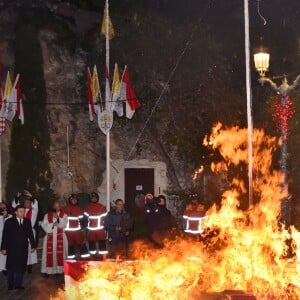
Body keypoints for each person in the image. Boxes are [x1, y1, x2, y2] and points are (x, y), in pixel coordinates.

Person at [1, 205, 35, 290]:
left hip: (23, 248)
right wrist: (3, 248)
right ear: (15, 212)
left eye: (23, 211)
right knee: (11, 267)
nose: (22, 213)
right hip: (12, 248)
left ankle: (18, 284)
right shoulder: (9, 222)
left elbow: (30, 234)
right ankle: (10, 284)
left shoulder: (27, 221)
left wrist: (33, 245)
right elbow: (5, 236)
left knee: (21, 266)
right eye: (20, 211)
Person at [12, 190, 39, 273]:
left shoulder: (34, 211)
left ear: (31, 204)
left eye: (29, 202)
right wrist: (17, 197)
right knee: (21, 249)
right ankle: (21, 265)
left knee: (30, 250)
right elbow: (14, 205)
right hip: (20, 233)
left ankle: (29, 265)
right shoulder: (21, 211)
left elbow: (36, 205)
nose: (27, 204)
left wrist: (31, 196)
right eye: (25, 202)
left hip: (30, 233)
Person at [41, 200, 68, 276]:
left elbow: (64, 224)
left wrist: (58, 218)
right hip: (50, 236)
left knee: (60, 254)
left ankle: (59, 271)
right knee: (48, 254)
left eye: (58, 206)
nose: (56, 207)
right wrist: (53, 224)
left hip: (61, 237)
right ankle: (48, 271)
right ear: (53, 206)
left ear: (60, 206)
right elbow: (43, 224)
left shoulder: (64, 215)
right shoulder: (47, 215)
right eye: (55, 206)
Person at [63, 194, 89, 259]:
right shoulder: (65, 209)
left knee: (82, 246)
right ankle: (70, 261)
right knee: (70, 247)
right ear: (70, 200)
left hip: (78, 232)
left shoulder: (79, 209)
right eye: (72, 199)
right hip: (68, 232)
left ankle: (85, 260)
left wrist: (84, 227)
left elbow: (83, 220)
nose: (74, 201)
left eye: (75, 200)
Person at [84, 192, 108, 259]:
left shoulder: (101, 207)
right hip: (91, 230)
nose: (94, 199)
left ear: (97, 198)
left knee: (102, 245)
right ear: (90, 199)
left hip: (100, 230)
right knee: (92, 246)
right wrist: (86, 229)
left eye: (95, 198)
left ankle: (103, 259)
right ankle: (93, 258)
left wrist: (105, 228)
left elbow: (105, 219)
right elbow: (85, 220)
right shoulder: (87, 207)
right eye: (92, 198)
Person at [0, 202, 12, 275]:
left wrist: (4, 218)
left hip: (6, 239)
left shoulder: (10, 216)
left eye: (4, 208)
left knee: (5, 254)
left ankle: (4, 268)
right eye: (1, 208)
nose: (3, 209)